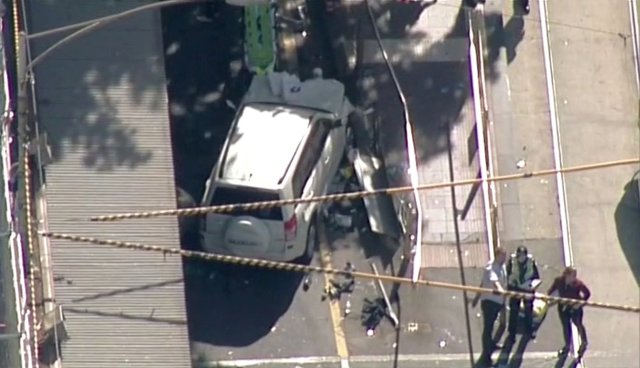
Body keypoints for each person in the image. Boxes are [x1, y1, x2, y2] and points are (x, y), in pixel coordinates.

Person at [471, 247, 508, 367]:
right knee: (488, 328)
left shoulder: (502, 266)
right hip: (490, 302)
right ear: (497, 256)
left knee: (493, 326)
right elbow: (494, 281)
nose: (504, 259)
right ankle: (486, 356)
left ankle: (491, 345)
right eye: (502, 256)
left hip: (498, 301)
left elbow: (483, 283)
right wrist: (500, 290)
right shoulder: (490, 267)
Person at [547, 266, 590, 360]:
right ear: (566, 275)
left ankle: (584, 341)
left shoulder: (578, 284)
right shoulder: (558, 281)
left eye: (575, 275)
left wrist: (580, 304)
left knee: (578, 323)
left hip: (575, 308)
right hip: (563, 307)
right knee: (566, 326)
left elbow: (587, 293)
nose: (574, 278)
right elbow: (551, 291)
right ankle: (567, 345)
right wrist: (551, 298)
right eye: (572, 275)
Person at [506, 245, 541, 340]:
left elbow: (536, 277)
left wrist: (532, 286)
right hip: (515, 288)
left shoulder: (531, 262)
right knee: (514, 311)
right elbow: (507, 275)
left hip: (527, 289)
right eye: (519, 255)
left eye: (522, 255)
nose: (521, 257)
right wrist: (510, 285)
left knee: (528, 310)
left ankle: (529, 330)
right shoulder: (512, 262)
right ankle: (511, 333)